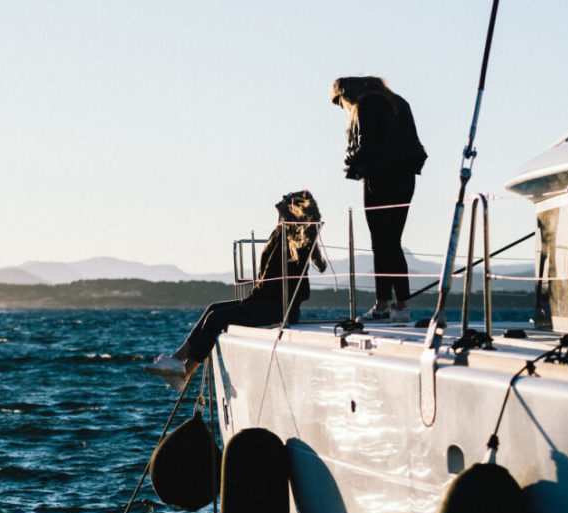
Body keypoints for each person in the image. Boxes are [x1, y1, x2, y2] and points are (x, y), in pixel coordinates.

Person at [146, 190, 325, 390]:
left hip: (275, 307)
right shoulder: (281, 231)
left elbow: (299, 251)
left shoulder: (295, 237)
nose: (282, 198)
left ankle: (184, 370)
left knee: (216, 319)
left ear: (295, 206)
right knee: (213, 308)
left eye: (287, 197)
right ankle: (179, 362)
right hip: (261, 300)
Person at [331, 76, 426, 323]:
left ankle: (382, 305)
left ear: (346, 95)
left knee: (380, 243)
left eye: (340, 103)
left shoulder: (366, 105)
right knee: (393, 241)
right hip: (405, 180)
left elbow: (367, 147)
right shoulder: (398, 102)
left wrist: (347, 156)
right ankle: (401, 306)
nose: (342, 108)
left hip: (380, 180)